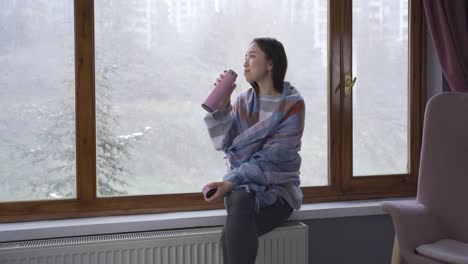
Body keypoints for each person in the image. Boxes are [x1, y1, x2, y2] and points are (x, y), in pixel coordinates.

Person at [203, 37, 305, 264]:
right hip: (244, 189)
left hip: (278, 192)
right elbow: (226, 144)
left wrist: (230, 182)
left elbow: (275, 159)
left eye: (252, 56)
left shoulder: (292, 105)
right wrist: (222, 108)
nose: (245, 63)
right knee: (238, 208)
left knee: (231, 234)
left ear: (271, 63)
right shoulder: (243, 102)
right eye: (244, 58)